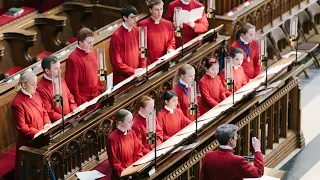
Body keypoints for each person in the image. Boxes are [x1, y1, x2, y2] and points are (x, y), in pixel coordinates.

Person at [11, 71, 51, 180]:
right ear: (23, 85)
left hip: (42, 135)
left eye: (36, 83)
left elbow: (43, 111)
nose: (36, 87)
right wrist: (38, 132)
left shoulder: (36, 94)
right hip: (29, 143)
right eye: (32, 84)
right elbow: (22, 128)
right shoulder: (17, 104)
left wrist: (47, 124)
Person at [65, 27, 104, 106]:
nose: (92, 45)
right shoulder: (73, 59)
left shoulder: (92, 53)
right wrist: (79, 103)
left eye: (92, 42)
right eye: (89, 43)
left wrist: (100, 89)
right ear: (80, 43)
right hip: (84, 100)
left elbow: (97, 73)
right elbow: (72, 85)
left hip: (96, 95)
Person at [109, 6, 146, 85]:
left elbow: (142, 51)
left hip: (138, 75)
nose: (135, 20)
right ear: (125, 17)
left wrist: (142, 68)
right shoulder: (116, 36)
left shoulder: (136, 30)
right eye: (132, 17)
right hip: (123, 79)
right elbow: (117, 63)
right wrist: (133, 71)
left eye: (136, 17)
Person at [37, 56, 77, 122]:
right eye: (56, 69)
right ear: (47, 71)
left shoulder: (60, 79)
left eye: (59, 67)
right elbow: (49, 111)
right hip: (60, 124)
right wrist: (66, 119)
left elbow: (70, 97)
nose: (60, 71)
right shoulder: (41, 89)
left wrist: (74, 110)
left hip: (71, 117)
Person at [107, 109, 144, 180]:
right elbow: (115, 163)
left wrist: (138, 166)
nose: (132, 123)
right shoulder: (112, 139)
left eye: (132, 120)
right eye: (129, 121)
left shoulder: (131, 132)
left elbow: (138, 151)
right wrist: (127, 173)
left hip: (134, 170)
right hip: (123, 174)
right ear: (120, 123)